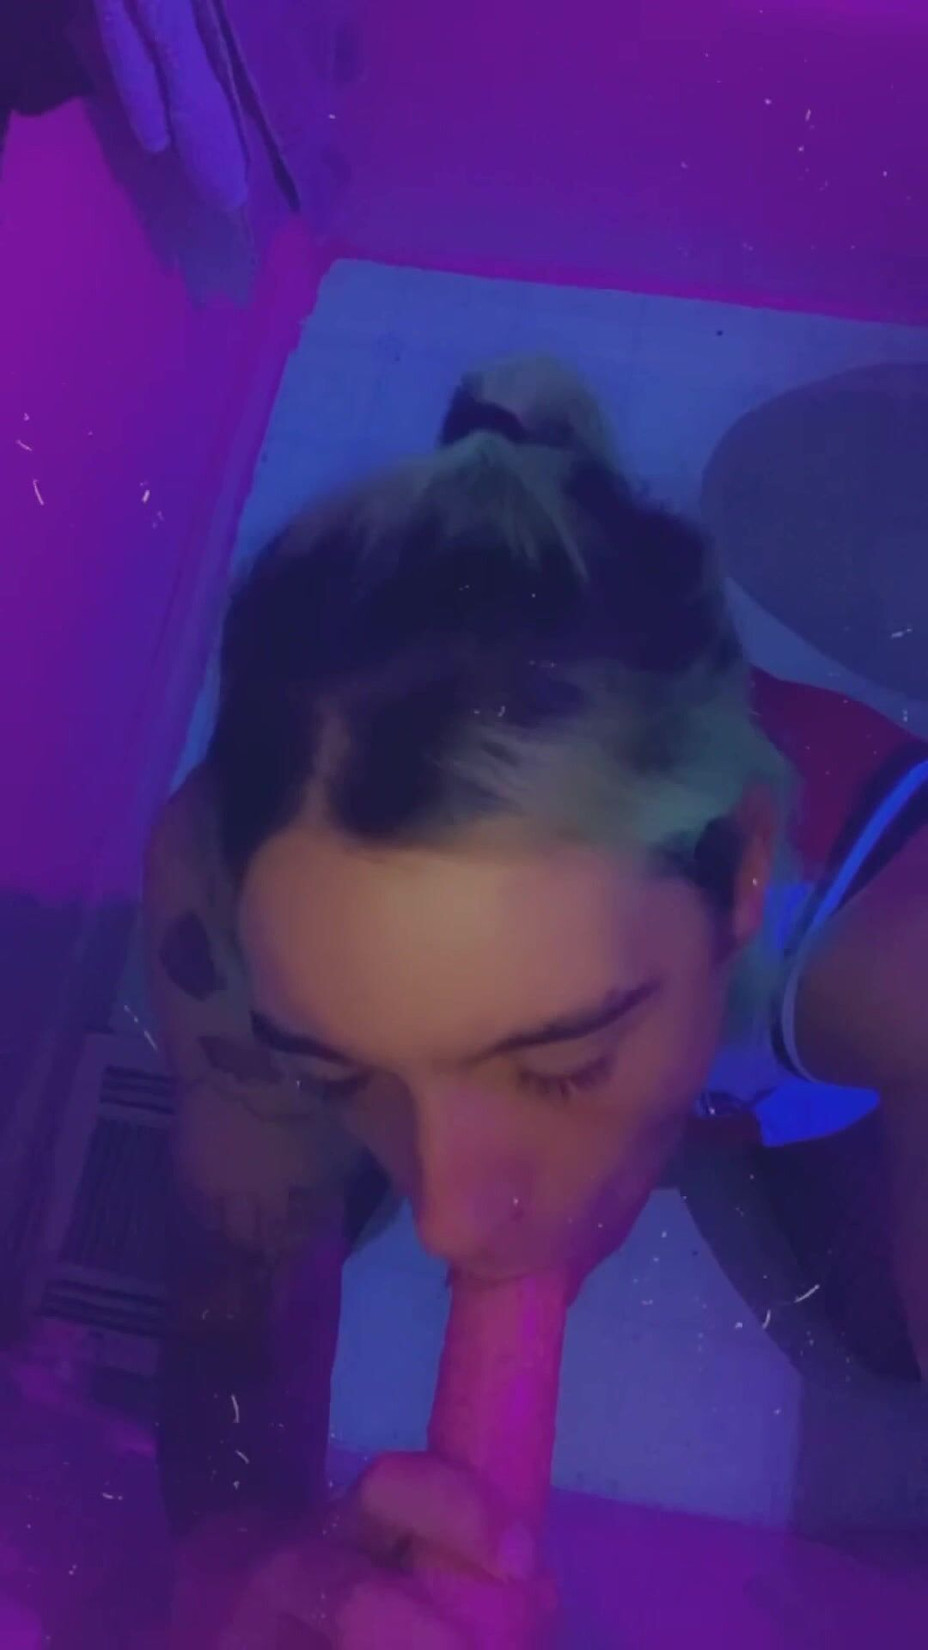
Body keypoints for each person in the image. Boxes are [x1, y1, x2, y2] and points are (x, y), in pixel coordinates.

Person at [144, 355, 928, 1645]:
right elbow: (232, 1310)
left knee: (885, 1340)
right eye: (343, 1070)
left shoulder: (894, 953)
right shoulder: (229, 908)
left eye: (562, 1063)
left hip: (807, 1023)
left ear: (743, 867)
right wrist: (245, 1561)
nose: (450, 1223)